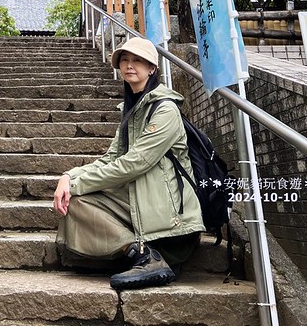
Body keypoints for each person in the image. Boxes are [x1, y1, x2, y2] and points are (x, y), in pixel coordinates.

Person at [53, 35, 204, 291]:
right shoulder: (132, 111)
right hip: (141, 210)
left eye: (137, 60)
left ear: (152, 68)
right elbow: (111, 159)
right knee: (76, 202)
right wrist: (69, 176)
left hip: (172, 225)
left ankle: (152, 258)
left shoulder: (165, 109)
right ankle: (142, 255)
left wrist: (76, 184)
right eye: (124, 60)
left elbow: (136, 163)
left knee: (77, 193)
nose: (129, 65)